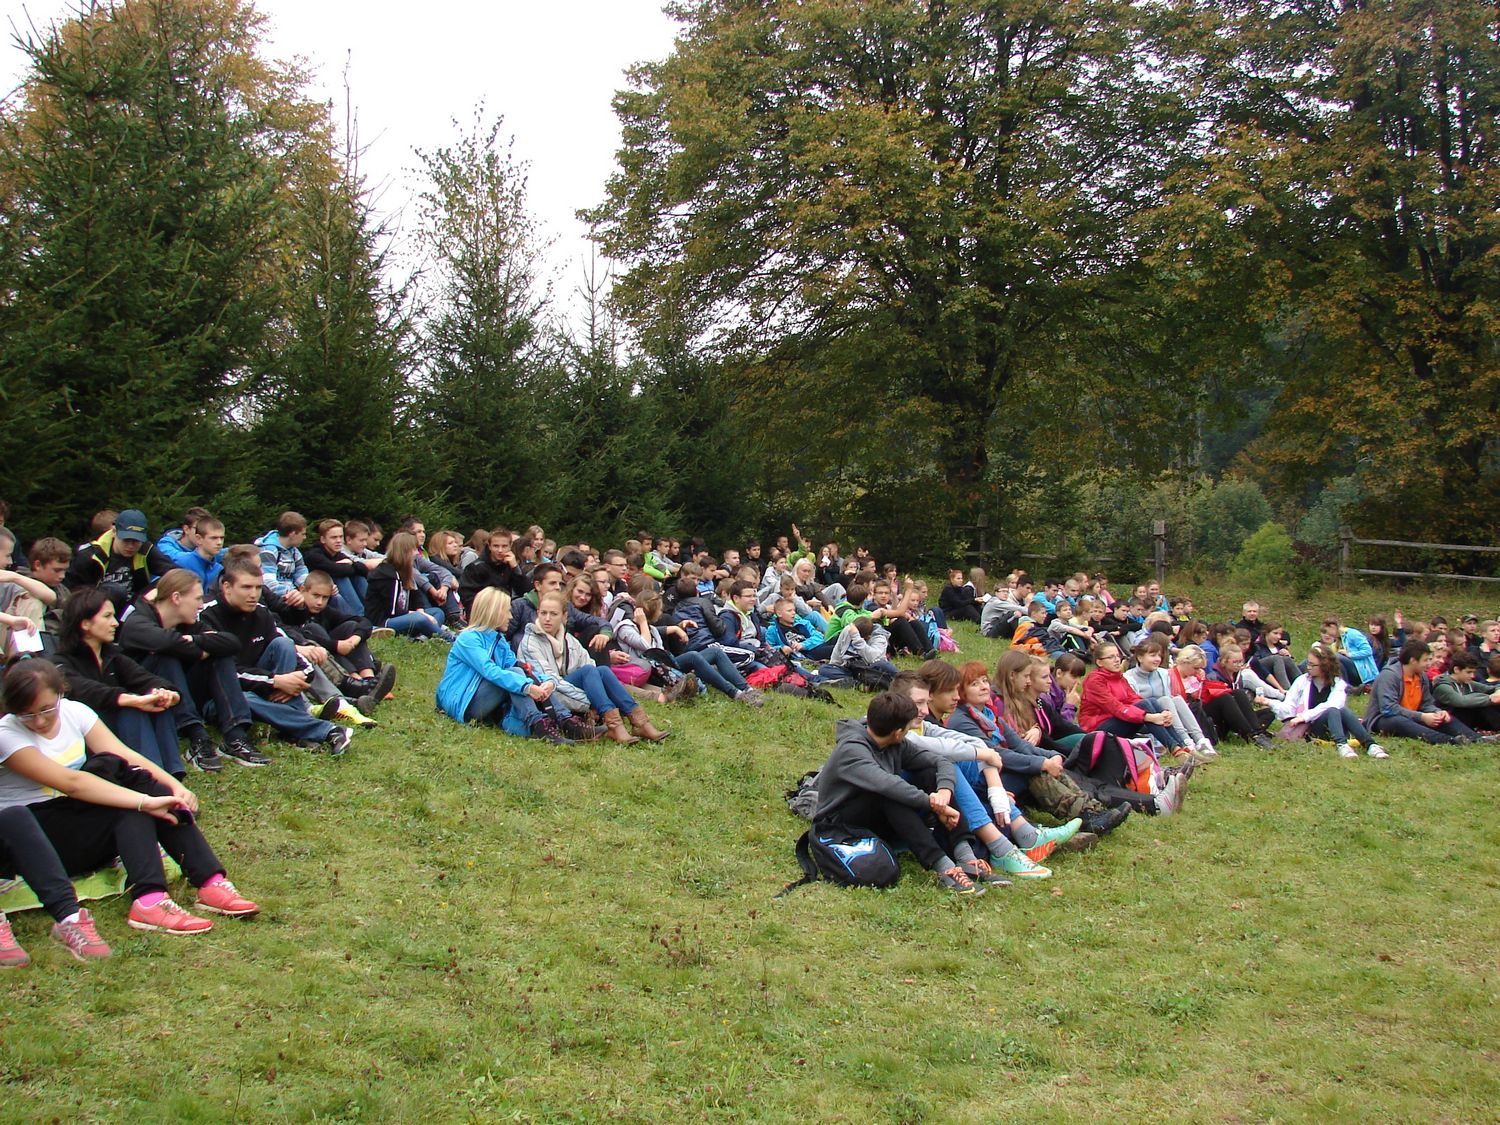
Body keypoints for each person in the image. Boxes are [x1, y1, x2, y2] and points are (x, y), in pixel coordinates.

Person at [0, 660, 259, 956]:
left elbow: (123, 754)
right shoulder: (7, 734)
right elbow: (71, 783)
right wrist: (143, 801)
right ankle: (150, 900)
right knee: (129, 801)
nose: (39, 721)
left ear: (60, 693)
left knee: (126, 778)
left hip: (74, 823)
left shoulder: (75, 712)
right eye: (27, 714)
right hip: (34, 841)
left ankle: (208, 881)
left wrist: (174, 787)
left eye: (47, 709)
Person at [809, 691, 987, 895]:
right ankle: (944, 867)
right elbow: (887, 785)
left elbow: (940, 761)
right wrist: (932, 803)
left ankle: (965, 857)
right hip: (842, 825)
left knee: (928, 773)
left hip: (877, 818)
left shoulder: (895, 744)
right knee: (890, 794)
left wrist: (944, 791)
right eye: (909, 727)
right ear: (898, 732)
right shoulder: (852, 750)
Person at [198, 555, 348, 758]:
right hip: (220, 698)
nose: (254, 594)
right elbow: (226, 672)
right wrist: (275, 681)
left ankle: (292, 728)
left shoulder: (261, 612)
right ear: (227, 587)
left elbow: (293, 652)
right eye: (246, 587)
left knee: (283, 645)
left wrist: (298, 678)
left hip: (264, 686)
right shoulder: (207, 616)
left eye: (258, 588)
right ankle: (328, 731)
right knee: (245, 698)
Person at [117, 568, 257, 773]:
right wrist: (198, 650)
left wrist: (194, 639)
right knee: (166, 658)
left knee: (221, 654)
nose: (201, 605)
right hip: (147, 697)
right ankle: (196, 736)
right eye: (197, 598)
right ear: (176, 598)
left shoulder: (187, 625)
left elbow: (231, 642)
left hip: (181, 693)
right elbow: (165, 642)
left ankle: (235, 736)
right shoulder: (138, 622)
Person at [49, 587, 188, 778]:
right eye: (107, 616)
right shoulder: (60, 661)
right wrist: (131, 700)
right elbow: (86, 690)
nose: (115, 623)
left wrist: (168, 693)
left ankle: (172, 774)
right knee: (130, 710)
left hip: (116, 732)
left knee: (158, 703)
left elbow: (144, 678)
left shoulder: (112, 656)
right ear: (85, 623)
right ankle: (150, 778)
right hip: (87, 738)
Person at [519, 591, 668, 743]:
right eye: (543, 613)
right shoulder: (531, 642)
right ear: (538, 613)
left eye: (553, 614)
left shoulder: (568, 639)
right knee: (589, 671)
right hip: (548, 695)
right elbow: (549, 681)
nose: (547, 618)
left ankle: (640, 721)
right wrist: (591, 699)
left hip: (568, 689)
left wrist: (595, 692)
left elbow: (589, 664)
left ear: (564, 616)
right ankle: (614, 724)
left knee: (602, 670)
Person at [1276, 643, 1388, 759]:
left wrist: (1304, 716)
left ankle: (1370, 745)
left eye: (1313, 665)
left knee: (1338, 710)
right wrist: (1271, 704)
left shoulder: (1339, 683)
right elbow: (1289, 705)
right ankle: (1342, 745)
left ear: (1325, 666)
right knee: (1333, 710)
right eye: (1308, 663)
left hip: (1335, 724)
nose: (1308, 667)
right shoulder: (1301, 681)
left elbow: (1332, 704)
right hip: (1314, 727)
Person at [1364, 640, 1480, 745]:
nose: (1429, 664)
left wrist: (1437, 712)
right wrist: (1422, 717)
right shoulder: (1389, 676)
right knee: (1399, 721)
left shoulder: (1422, 676)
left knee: (1443, 717)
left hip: (1413, 716)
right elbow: (1388, 709)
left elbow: (1426, 703)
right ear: (1413, 660)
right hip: (1384, 719)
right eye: (1425, 660)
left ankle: (1476, 738)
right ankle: (1449, 740)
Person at [64, 509, 156, 613]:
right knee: (116, 591)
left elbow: (169, 572)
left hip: (132, 610)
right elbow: (73, 594)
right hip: (96, 610)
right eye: (126, 540)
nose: (131, 546)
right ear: (114, 532)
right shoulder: (89, 556)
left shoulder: (145, 549)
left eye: (136, 541)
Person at [364, 532, 451, 641]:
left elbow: (416, 597)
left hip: (403, 617)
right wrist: (421, 616)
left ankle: (422, 636)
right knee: (420, 619)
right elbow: (392, 611)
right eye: (414, 549)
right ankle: (449, 638)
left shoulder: (406, 571)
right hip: (384, 621)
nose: (417, 553)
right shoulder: (387, 574)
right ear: (404, 551)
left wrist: (422, 612)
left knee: (437, 612)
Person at [303, 519, 378, 615]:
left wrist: (351, 565)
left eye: (341, 537)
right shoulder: (314, 555)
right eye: (334, 537)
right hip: (322, 596)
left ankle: (374, 612)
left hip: (335, 595)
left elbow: (363, 570)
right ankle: (360, 616)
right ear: (323, 540)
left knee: (357, 576)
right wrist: (350, 565)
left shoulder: (338, 554)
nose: (338, 541)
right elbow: (336, 570)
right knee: (342, 577)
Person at [255, 511, 311, 613]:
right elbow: (268, 583)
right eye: (303, 534)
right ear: (292, 534)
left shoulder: (294, 551)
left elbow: (301, 571)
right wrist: (293, 593)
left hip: (294, 595)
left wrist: (309, 589)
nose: (304, 537)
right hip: (277, 599)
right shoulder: (269, 551)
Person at [1432, 650, 1500, 733]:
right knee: (1479, 705)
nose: (1472, 676)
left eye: (1473, 672)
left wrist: (1498, 692)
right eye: (1469, 672)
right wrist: (1489, 699)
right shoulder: (1443, 686)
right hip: (1448, 720)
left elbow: (1492, 688)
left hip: (1467, 720)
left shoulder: (1467, 682)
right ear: (1456, 669)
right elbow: (1461, 701)